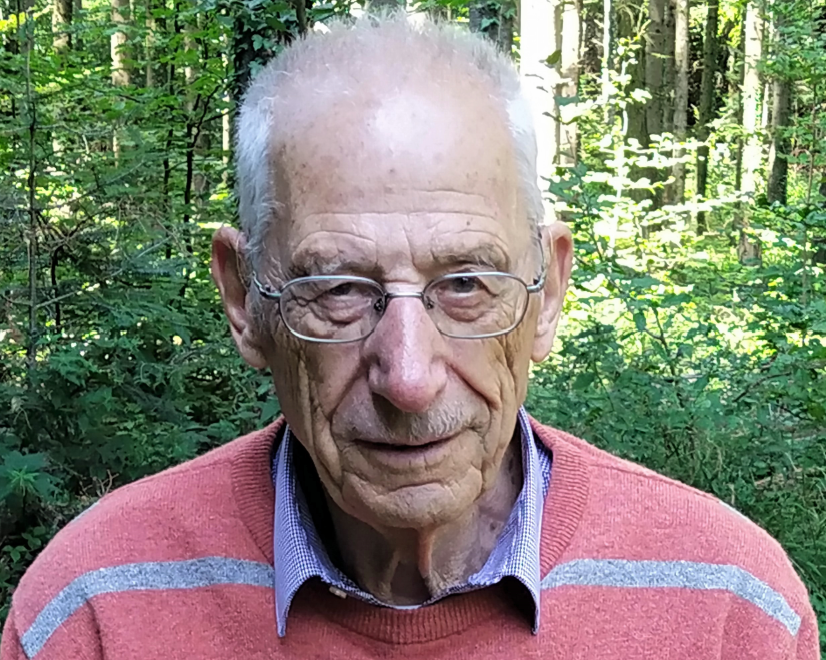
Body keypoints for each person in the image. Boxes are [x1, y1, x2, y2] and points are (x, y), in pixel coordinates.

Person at [1, 16, 820, 660]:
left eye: (466, 284)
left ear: (547, 292)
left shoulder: (728, 609)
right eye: (338, 289)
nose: (409, 376)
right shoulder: (93, 609)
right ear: (245, 299)